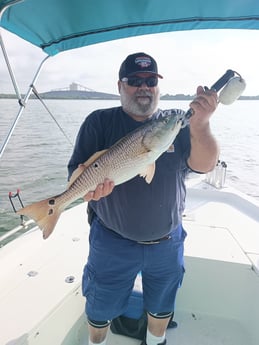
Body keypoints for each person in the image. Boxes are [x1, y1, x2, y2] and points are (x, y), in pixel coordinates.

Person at [67, 52, 219, 345]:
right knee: (100, 307)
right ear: (120, 86)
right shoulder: (98, 122)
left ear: (158, 86)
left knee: (162, 305)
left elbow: (204, 165)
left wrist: (201, 125)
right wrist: (86, 189)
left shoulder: (176, 123)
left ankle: (155, 341)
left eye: (150, 81)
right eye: (134, 80)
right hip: (111, 240)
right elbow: (77, 172)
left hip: (167, 241)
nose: (144, 87)